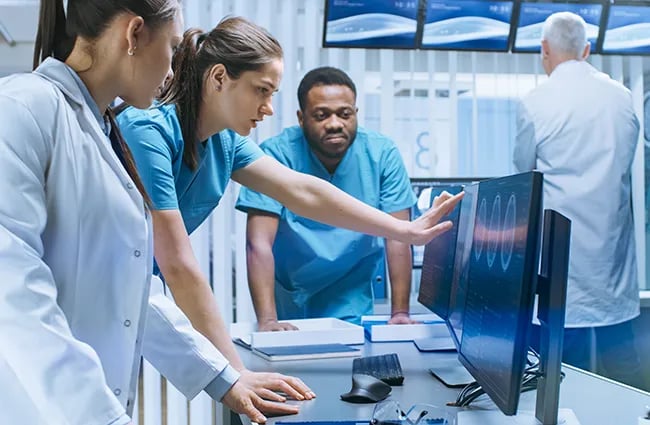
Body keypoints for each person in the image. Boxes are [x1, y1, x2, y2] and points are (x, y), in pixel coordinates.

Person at [0, 2, 313, 424]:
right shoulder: (22, 108)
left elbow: (131, 285)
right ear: (134, 35)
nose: (173, 70)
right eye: (171, 47)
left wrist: (225, 378)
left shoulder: (104, 130)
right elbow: (13, 296)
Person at [116, 15, 461, 390]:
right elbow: (178, 263)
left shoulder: (224, 142)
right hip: (98, 287)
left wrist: (404, 230)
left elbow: (304, 191)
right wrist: (237, 376)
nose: (268, 109)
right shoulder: (148, 131)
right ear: (218, 79)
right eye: (261, 91)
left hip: (132, 292)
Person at [514, 11, 647, 389]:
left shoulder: (536, 103)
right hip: (612, 269)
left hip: (560, 271)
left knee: (557, 381)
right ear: (586, 50)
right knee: (625, 378)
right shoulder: (623, 98)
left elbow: (525, 179)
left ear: (544, 50)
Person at [236, 67, 417, 329]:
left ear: (356, 113)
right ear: (301, 118)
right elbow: (258, 243)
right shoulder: (276, 154)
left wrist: (400, 312)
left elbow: (399, 237)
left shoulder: (381, 154)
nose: (334, 123)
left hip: (350, 295)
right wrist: (267, 319)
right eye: (321, 115)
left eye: (345, 114)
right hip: (292, 296)